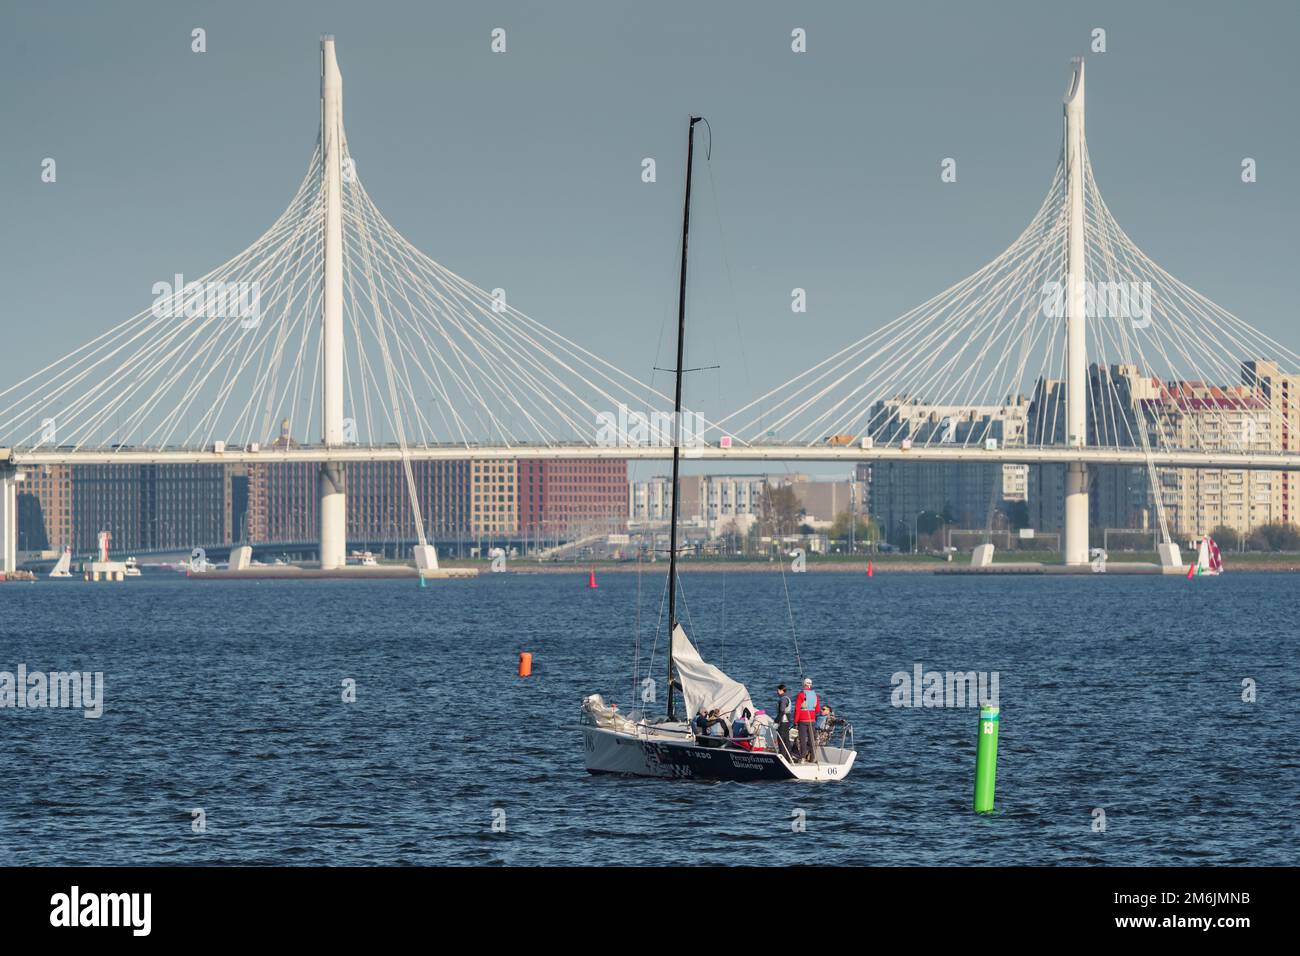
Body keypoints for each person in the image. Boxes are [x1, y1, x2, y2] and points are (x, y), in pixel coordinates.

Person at [794, 678, 820, 763]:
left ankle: (802, 757)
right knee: (812, 739)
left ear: (804, 684)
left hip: (802, 719)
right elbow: (818, 710)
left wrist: (795, 721)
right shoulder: (815, 695)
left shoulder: (801, 694)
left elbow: (797, 709)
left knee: (802, 739)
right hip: (812, 719)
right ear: (811, 685)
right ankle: (813, 757)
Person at [774, 684, 794, 757]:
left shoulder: (783, 699)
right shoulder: (787, 698)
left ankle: (782, 754)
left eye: (778, 690)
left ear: (782, 690)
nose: (777, 692)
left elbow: (782, 711)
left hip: (783, 720)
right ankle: (789, 755)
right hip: (787, 720)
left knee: (781, 738)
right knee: (786, 738)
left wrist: (776, 721)